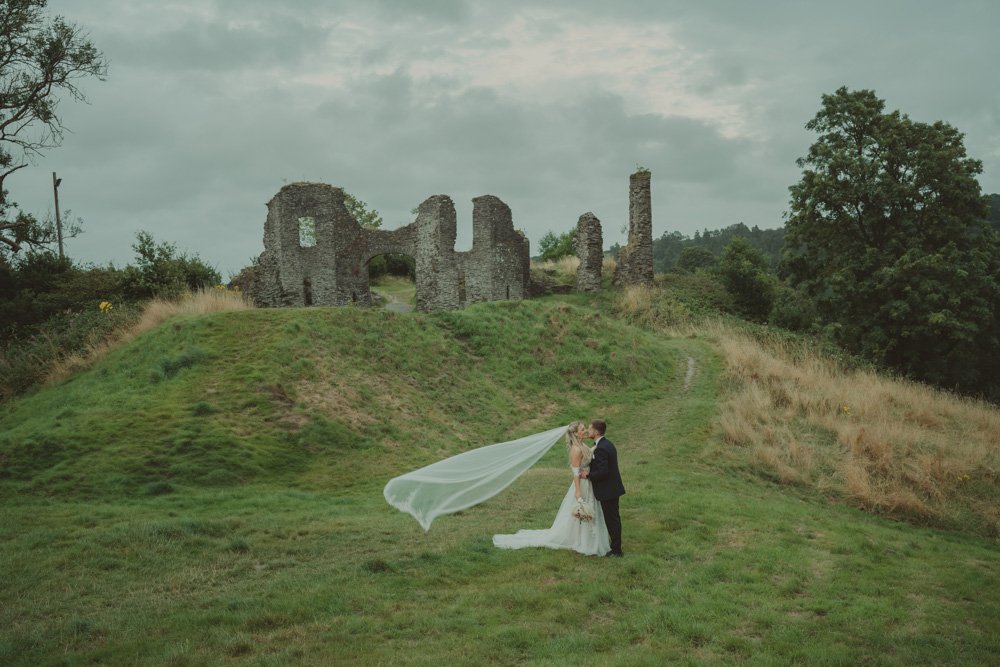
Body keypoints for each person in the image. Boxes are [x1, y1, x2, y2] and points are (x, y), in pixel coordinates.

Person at [492, 421, 610, 556]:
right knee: (581, 513)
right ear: (576, 433)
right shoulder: (576, 449)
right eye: (583, 429)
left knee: (588, 512)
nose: (585, 431)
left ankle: (587, 539)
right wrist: (578, 492)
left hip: (589, 482)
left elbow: (589, 454)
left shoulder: (582, 445)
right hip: (582, 485)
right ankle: (584, 542)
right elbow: (576, 473)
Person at [580, 419, 625, 557]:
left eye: (589, 428)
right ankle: (615, 546)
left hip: (608, 490)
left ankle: (617, 550)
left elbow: (602, 472)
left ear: (596, 431)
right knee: (613, 519)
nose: (588, 431)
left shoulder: (601, 448)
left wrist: (588, 475)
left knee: (612, 520)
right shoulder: (606, 444)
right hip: (612, 488)